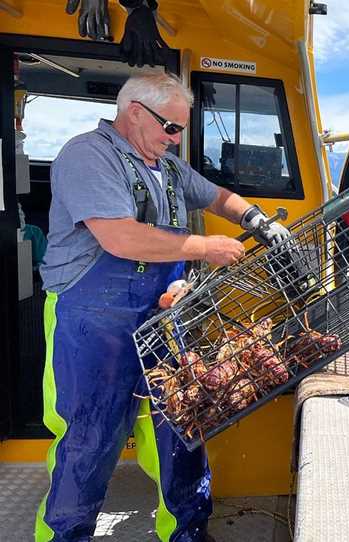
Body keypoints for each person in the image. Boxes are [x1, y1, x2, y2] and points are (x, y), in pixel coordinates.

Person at [34, 72, 287, 542]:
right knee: (89, 440)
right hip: (93, 322)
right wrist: (203, 247)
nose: (176, 139)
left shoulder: (166, 168)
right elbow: (119, 236)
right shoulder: (88, 156)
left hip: (162, 320)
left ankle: (187, 532)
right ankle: (65, 536)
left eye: (181, 130)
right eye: (171, 128)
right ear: (135, 112)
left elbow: (215, 195)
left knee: (182, 427)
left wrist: (256, 219)